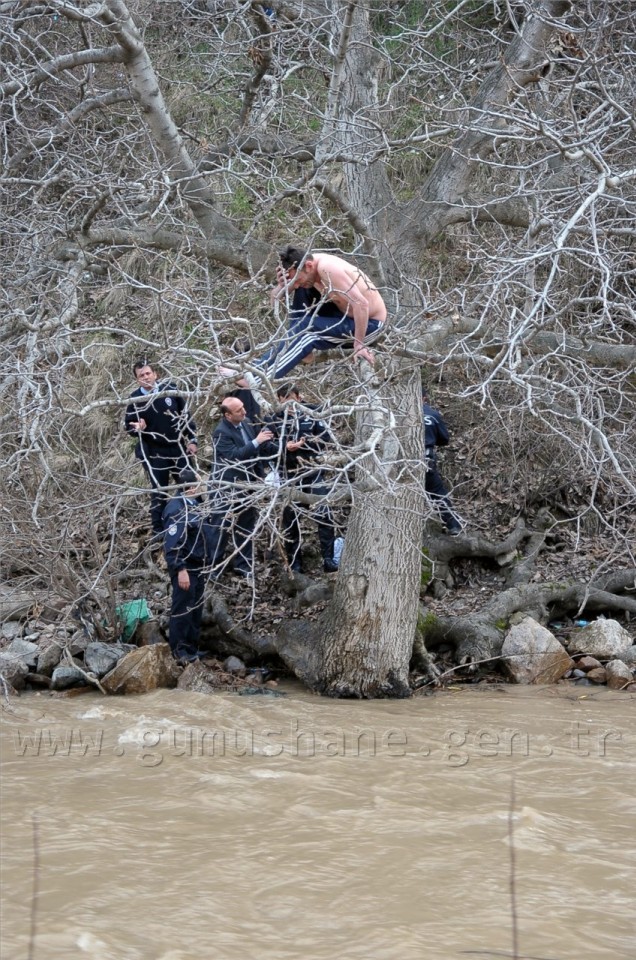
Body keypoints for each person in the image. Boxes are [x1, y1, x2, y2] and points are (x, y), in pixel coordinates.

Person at [219, 246, 387, 383]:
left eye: (297, 279)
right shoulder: (309, 271)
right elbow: (276, 301)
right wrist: (282, 285)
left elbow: (362, 304)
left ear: (308, 265)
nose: (297, 283)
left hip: (370, 326)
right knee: (302, 292)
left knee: (307, 333)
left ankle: (255, 379)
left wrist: (359, 345)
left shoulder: (328, 269)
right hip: (343, 317)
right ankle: (258, 366)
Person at [267, 384, 339, 573]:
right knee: (291, 518)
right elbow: (265, 447)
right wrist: (284, 446)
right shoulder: (273, 419)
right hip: (289, 473)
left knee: (324, 513)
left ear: (299, 398)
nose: (289, 406)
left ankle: (329, 559)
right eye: (284, 402)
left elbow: (326, 439)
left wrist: (306, 445)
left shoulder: (313, 412)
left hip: (313, 470)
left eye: (292, 400)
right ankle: (295, 561)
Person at [125, 361, 198, 540]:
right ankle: (159, 530)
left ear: (155, 374)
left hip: (179, 446)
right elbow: (129, 426)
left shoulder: (170, 390)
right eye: (141, 376)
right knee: (159, 490)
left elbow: (185, 414)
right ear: (137, 380)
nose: (146, 377)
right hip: (155, 452)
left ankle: (199, 517)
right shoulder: (135, 399)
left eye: (148, 373)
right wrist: (137, 427)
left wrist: (193, 439)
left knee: (190, 483)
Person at [207, 395, 277, 582]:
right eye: (239, 410)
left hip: (247, 485)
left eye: (243, 407)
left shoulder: (246, 423)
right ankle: (214, 567)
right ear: (228, 415)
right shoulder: (221, 433)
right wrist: (257, 441)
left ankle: (243, 565)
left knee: (246, 526)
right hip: (226, 487)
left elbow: (258, 452)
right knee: (220, 528)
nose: (244, 412)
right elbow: (235, 457)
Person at [163, 468, 216, 662]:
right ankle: (179, 650)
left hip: (200, 564)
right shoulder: (176, 509)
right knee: (182, 609)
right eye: (196, 486)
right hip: (185, 567)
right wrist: (180, 569)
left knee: (195, 609)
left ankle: (192, 648)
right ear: (189, 488)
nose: (198, 488)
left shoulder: (195, 504)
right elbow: (172, 544)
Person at [422, 389, 462, 535]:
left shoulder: (397, 414)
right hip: (426, 459)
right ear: (424, 398)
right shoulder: (432, 414)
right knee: (437, 493)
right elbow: (444, 439)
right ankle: (453, 525)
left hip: (401, 462)